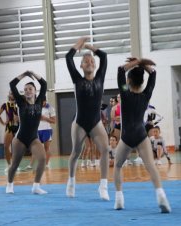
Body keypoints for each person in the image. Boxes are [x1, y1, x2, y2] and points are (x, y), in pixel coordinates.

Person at [113, 57, 171, 213]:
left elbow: (120, 70)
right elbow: (153, 74)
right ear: (141, 82)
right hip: (140, 134)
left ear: (129, 80)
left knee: (117, 166)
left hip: (126, 136)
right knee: (151, 166)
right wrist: (143, 64)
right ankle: (161, 195)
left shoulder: (124, 94)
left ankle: (119, 198)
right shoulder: (147, 94)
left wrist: (137, 61)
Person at [65, 37, 110, 200]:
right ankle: (71, 181)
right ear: (81, 66)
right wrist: (79, 44)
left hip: (96, 122)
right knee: (76, 152)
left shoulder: (100, 78)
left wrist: (90, 47)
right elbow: (68, 57)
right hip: (80, 123)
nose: (89, 62)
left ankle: (103, 186)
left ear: (95, 65)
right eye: (85, 61)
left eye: (91, 60)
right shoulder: (77, 79)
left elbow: (104, 56)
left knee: (105, 150)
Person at [6, 70, 47, 195]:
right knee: (15, 164)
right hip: (20, 139)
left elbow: (44, 84)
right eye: (25, 89)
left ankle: (36, 186)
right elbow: (12, 84)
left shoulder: (40, 101)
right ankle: (9, 184)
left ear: (35, 91)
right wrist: (24, 74)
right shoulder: (21, 102)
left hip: (33, 138)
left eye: (30, 88)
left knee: (42, 159)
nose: (27, 90)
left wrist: (33, 73)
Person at [24, 96, 56, 170]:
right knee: (35, 148)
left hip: (47, 130)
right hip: (37, 130)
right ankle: (31, 165)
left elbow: (54, 121)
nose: (41, 103)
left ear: (45, 101)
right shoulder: (35, 108)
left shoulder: (50, 108)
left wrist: (45, 118)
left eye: (42, 102)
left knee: (46, 148)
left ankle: (46, 164)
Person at [0, 91, 20, 172]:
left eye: (13, 93)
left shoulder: (20, 104)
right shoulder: (5, 105)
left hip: (19, 127)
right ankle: (9, 165)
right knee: (6, 146)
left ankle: (16, 165)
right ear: (9, 95)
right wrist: (3, 123)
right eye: (11, 93)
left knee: (17, 148)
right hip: (9, 126)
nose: (12, 95)